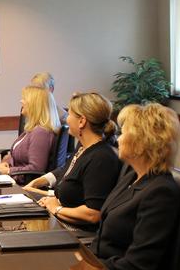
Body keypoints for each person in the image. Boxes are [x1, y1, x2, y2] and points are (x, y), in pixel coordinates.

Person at [90, 103, 180, 270]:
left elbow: (139, 263)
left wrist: (94, 268)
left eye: (123, 133)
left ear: (141, 143)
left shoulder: (161, 192)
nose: (118, 139)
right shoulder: (131, 176)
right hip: (102, 264)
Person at [27, 92, 121, 226]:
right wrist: (50, 201)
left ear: (82, 121)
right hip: (64, 223)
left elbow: (93, 214)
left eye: (69, 114)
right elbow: (69, 176)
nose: (67, 119)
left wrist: (56, 208)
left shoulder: (101, 158)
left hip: (79, 234)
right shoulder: (83, 147)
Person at [0, 86, 61, 183]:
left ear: (35, 104)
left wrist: (8, 171)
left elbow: (36, 169)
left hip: (24, 184)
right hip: (15, 179)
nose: (21, 101)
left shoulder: (41, 133)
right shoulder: (32, 129)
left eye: (24, 98)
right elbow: (18, 156)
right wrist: (6, 162)